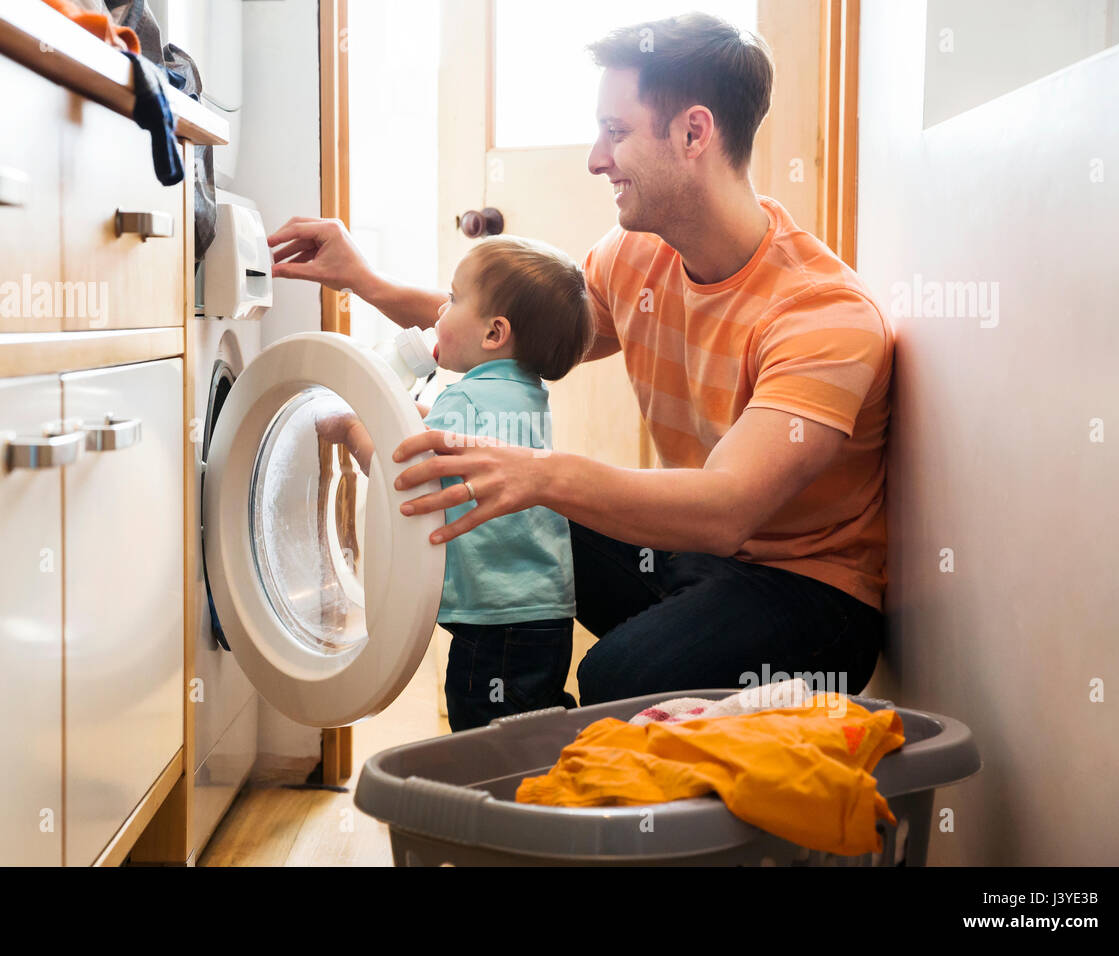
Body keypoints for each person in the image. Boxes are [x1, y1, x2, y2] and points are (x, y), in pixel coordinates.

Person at [269, 13, 893, 705]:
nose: (596, 158)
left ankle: (583, 742)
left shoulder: (822, 315)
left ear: (694, 133)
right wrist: (366, 280)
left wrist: (537, 473)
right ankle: (506, 708)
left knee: (613, 677)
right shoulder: (639, 255)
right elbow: (509, 331)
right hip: (694, 563)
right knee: (500, 513)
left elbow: (727, 508)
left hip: (811, 597)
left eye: (615, 132)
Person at [319, 236, 594, 731]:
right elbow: (452, 438)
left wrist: (352, 428)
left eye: (452, 299)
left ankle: (496, 803)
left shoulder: (466, 399)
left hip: (492, 620)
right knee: (531, 721)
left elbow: (406, 470)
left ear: (494, 333)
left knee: (483, 732)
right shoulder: (526, 396)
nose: (438, 311)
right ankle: (549, 783)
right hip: (543, 608)